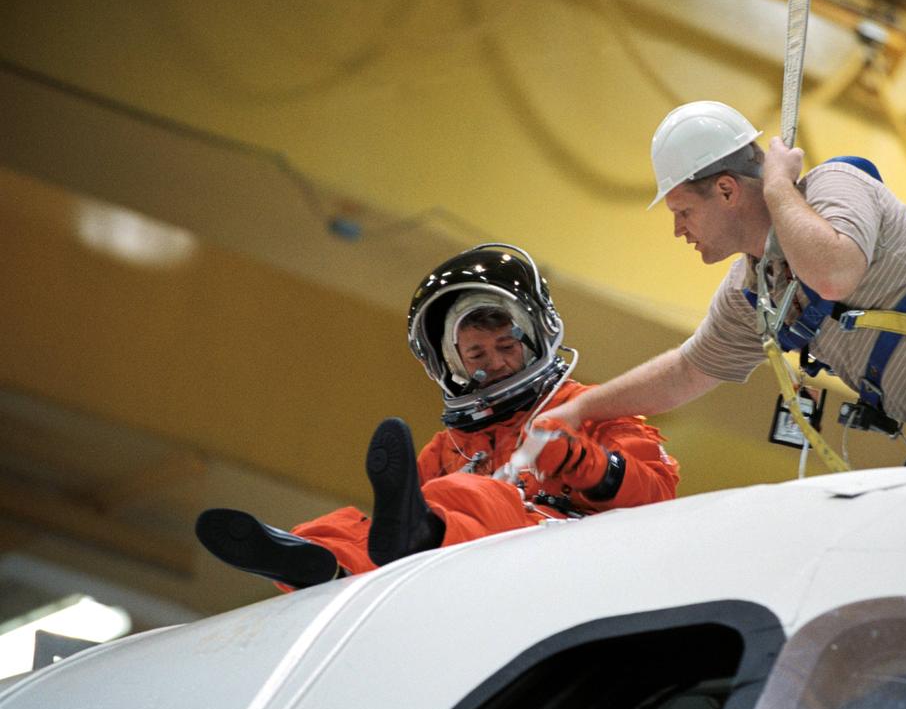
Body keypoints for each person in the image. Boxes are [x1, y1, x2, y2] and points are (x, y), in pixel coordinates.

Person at [534, 100, 906, 466]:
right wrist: (581, 411)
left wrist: (777, 188)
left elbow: (834, 272)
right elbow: (685, 372)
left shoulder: (834, 188)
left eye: (682, 210)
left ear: (727, 191)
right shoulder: (755, 288)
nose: (677, 228)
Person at [195, 244, 679, 590]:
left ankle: (421, 533)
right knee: (355, 529)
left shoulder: (586, 408)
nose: (494, 361)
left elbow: (658, 491)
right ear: (451, 363)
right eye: (476, 354)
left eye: (506, 346)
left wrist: (579, 460)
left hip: (561, 556)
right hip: (460, 569)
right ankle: (316, 563)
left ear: (536, 336)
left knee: (470, 496)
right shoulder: (449, 448)